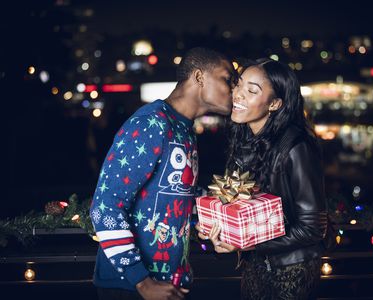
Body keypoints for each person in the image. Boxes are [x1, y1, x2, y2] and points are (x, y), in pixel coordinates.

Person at [90, 47, 236, 300]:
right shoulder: (151, 123)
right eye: (227, 79)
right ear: (199, 77)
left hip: (171, 284)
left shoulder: (184, 128)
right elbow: (105, 207)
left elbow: (174, 195)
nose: (234, 89)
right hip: (131, 288)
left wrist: (223, 208)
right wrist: (142, 282)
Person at [198, 59, 328, 299]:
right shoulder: (244, 137)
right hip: (255, 265)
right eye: (238, 85)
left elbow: (313, 228)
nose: (237, 94)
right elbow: (238, 205)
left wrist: (249, 245)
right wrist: (218, 232)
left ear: (275, 104)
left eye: (252, 90)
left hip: (292, 271)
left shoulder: (296, 146)